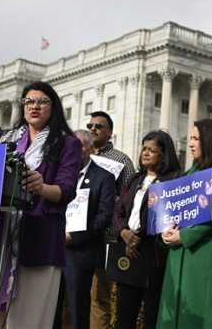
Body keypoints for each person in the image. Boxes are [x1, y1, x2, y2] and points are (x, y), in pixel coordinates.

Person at [0, 81, 81, 328]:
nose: (34, 106)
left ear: (53, 107)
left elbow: (67, 189)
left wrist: (41, 187)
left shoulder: (67, 143)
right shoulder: (7, 140)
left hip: (39, 237)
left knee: (27, 320)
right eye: (28, 101)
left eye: (41, 101)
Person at [158, 119, 212, 328]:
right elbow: (175, 210)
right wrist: (167, 229)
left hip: (211, 254)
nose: (190, 144)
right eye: (190, 138)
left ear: (211, 140)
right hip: (182, 253)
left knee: (211, 316)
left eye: (196, 138)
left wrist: (184, 236)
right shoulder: (190, 173)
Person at [112, 130, 181, 329]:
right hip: (128, 252)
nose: (146, 153)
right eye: (144, 148)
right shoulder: (135, 178)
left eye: (152, 150)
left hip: (153, 255)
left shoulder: (174, 179)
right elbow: (118, 212)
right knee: (124, 316)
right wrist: (123, 233)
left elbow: (162, 215)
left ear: (164, 155)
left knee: (151, 316)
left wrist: (137, 236)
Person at [60, 129, 116, 329]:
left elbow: (104, 216)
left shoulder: (104, 177)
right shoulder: (60, 174)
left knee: (77, 311)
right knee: (53, 309)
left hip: (80, 254)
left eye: (79, 146)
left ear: (91, 148)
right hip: (53, 251)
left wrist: (74, 236)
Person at [87, 110, 137, 328]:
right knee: (72, 295)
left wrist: (106, 198)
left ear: (110, 133)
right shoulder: (80, 156)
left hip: (106, 236)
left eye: (99, 126)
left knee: (99, 296)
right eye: (90, 125)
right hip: (76, 235)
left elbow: (130, 197)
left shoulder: (121, 160)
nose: (93, 129)